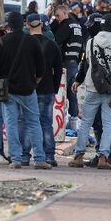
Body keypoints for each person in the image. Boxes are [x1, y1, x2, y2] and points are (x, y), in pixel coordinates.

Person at [0, 11, 50, 169]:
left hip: (8, 90)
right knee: (34, 123)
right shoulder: (31, 42)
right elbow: (41, 67)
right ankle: (39, 159)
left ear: (8, 25)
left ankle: (16, 160)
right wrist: (35, 81)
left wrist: (0, 81)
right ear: (23, 24)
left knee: (10, 124)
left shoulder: (1, 42)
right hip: (28, 89)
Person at [69, 13, 111, 169]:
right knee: (108, 124)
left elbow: (87, 63)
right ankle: (103, 157)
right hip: (110, 90)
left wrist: (78, 80)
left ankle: (79, 156)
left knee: (86, 122)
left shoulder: (91, 42)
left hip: (92, 87)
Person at [22, 13, 63, 167]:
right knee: (46, 122)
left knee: (27, 122)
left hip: (27, 89)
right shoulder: (52, 44)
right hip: (47, 89)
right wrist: (55, 87)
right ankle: (49, 156)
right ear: (42, 24)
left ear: (27, 25)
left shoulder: (24, 43)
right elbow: (58, 69)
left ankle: (24, 155)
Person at [51, 4, 84, 125]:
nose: (57, 18)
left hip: (65, 63)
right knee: (72, 92)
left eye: (58, 16)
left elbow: (55, 41)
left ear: (65, 13)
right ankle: (74, 120)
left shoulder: (66, 26)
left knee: (60, 92)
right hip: (74, 63)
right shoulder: (77, 26)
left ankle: (59, 122)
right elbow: (81, 47)